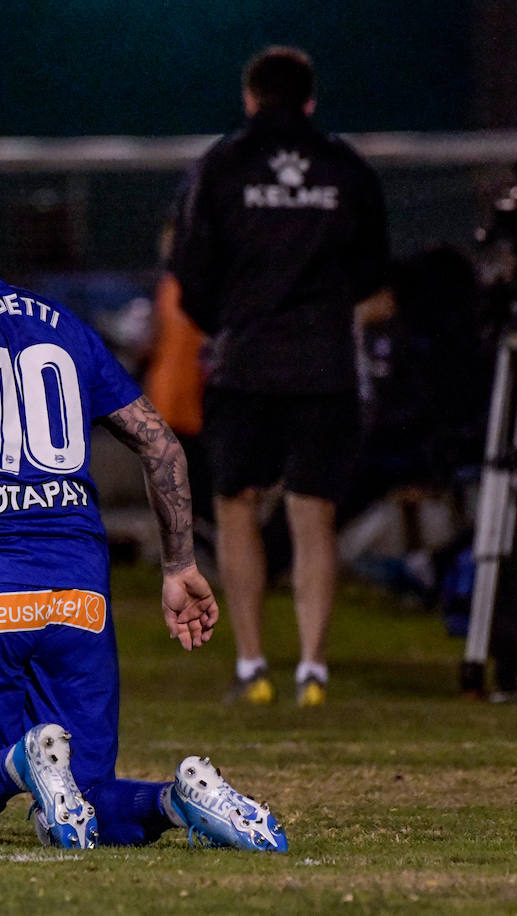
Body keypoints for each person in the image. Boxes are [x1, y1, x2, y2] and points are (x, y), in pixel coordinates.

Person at [0, 175, 287, 851]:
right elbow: (161, 444)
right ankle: (183, 800)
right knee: (82, 800)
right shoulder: (63, 323)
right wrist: (179, 565)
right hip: (79, 595)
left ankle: (17, 762)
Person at [170, 46, 389, 707]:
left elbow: (191, 272)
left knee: (235, 506)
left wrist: (231, 319)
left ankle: (252, 664)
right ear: (310, 102)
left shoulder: (221, 165)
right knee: (312, 514)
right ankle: (313, 671)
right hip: (323, 365)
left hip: (247, 363)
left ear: (250, 99)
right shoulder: (346, 168)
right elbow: (374, 269)